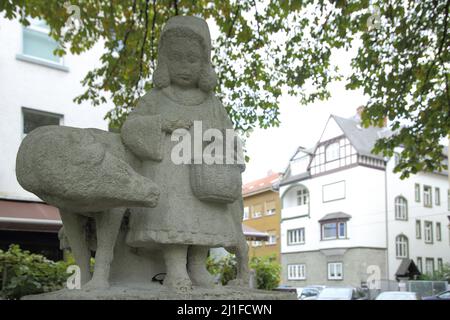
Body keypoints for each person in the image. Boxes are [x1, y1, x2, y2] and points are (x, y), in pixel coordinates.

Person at [121, 16, 245, 291]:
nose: (185, 66)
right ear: (165, 61)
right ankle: (175, 268)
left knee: (206, 217)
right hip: (168, 173)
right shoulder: (155, 98)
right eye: (176, 59)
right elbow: (131, 128)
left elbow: (229, 133)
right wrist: (162, 125)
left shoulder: (213, 103)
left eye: (192, 59)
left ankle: (198, 266)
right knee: (173, 216)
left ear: (204, 63)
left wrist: (232, 156)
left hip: (206, 172)